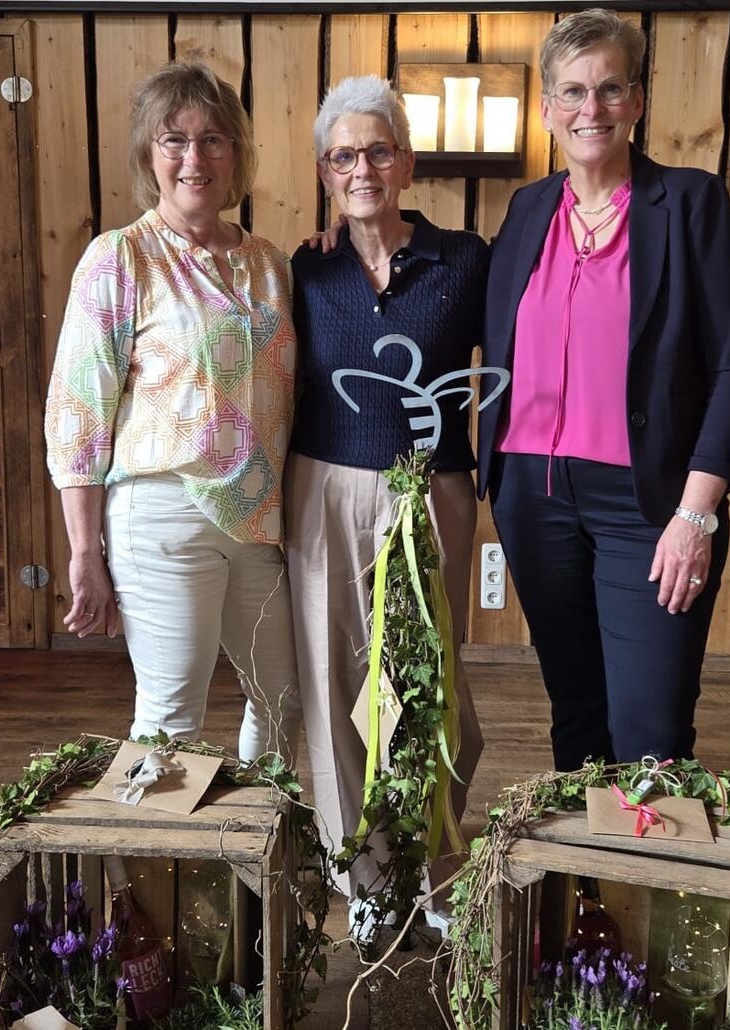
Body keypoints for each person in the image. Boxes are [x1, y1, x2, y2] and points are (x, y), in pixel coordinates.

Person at [478, 10, 730, 771]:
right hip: (534, 497)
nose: (589, 110)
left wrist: (696, 514)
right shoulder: (529, 209)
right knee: (577, 716)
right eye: (571, 92)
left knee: (651, 732)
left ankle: (648, 878)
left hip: (650, 502)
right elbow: (448, 282)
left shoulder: (691, 205)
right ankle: (583, 892)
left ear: (636, 101)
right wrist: (356, 231)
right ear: (546, 107)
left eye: (609, 89)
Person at [44, 62, 301, 763]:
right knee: (172, 717)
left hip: (257, 522)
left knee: (282, 702)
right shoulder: (120, 259)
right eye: (174, 140)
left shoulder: (271, 264)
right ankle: (150, 869)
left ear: (237, 154)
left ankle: (256, 854)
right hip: (163, 513)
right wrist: (85, 552)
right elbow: (78, 415)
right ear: (147, 155)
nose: (195, 157)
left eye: (214, 139)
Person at [284, 75, 486, 934]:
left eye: (377, 149)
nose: (361, 167)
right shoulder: (306, 264)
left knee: (426, 686)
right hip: (323, 484)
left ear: (405, 159)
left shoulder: (466, 259)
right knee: (332, 687)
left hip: (432, 488)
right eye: (343, 155)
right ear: (326, 170)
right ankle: (362, 882)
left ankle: (431, 864)